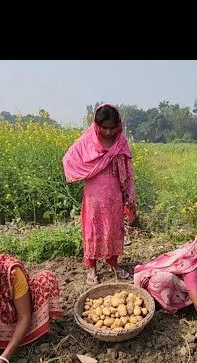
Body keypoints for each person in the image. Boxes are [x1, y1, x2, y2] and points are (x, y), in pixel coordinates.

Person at [62, 103, 137, 285]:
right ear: (96, 125)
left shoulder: (121, 142)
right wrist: (85, 171)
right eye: (104, 128)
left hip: (114, 193)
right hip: (94, 193)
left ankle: (114, 264)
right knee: (93, 229)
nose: (108, 132)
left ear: (118, 126)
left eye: (112, 128)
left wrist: (129, 193)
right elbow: (69, 159)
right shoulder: (88, 140)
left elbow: (127, 170)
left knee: (113, 228)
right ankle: (92, 268)